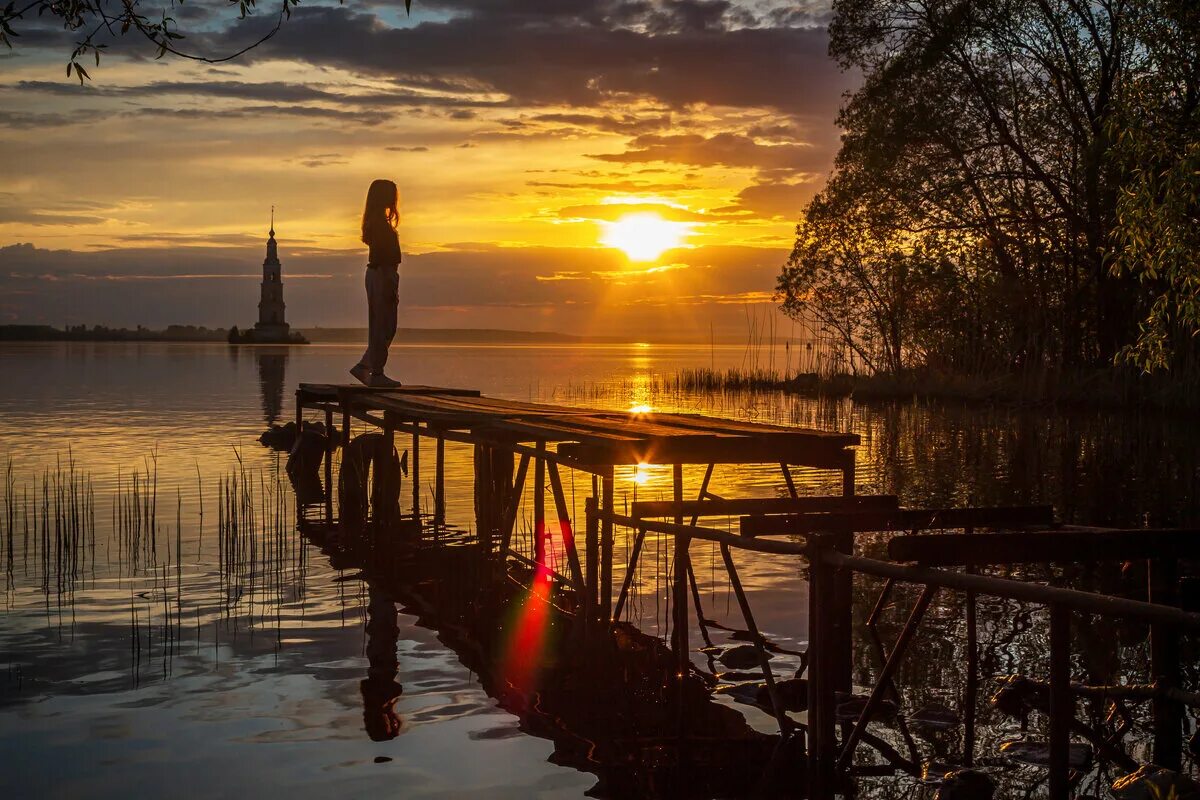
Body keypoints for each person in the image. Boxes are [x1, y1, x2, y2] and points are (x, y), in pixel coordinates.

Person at [351, 179, 404, 388]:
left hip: (380, 274)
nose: (394, 199)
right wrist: (390, 282)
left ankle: (366, 366)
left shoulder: (377, 222)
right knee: (385, 326)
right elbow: (384, 257)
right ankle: (376, 372)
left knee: (383, 326)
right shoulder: (380, 225)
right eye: (391, 194)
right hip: (383, 274)